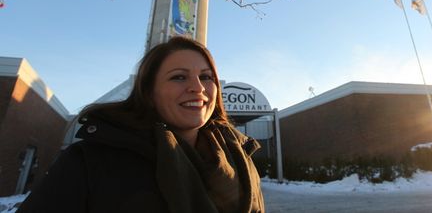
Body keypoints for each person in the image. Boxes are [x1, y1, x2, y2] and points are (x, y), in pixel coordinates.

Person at [18, 37, 265, 213]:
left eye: (206, 77)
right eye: (179, 77)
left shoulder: (240, 158)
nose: (198, 88)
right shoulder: (91, 162)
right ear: (148, 92)